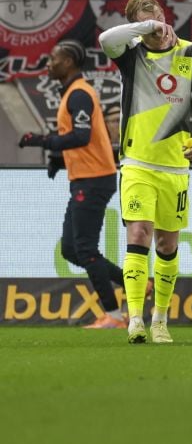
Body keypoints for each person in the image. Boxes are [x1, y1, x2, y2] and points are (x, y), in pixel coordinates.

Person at [98, 0, 192, 344]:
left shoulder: (190, 52)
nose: (159, 25)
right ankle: (135, 319)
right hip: (137, 163)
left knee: (167, 243)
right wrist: (145, 28)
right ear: (138, 25)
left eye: (159, 16)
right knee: (138, 234)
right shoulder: (130, 54)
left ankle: (160, 319)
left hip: (175, 166)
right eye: (148, 21)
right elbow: (105, 38)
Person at [19, 40, 124, 329]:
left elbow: (81, 136)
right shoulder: (73, 93)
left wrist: (41, 141)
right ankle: (135, 284)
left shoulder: (79, 94)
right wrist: (59, 160)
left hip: (94, 179)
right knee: (70, 250)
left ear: (68, 63)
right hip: (85, 178)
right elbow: (83, 141)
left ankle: (114, 316)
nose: (48, 64)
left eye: (53, 59)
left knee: (86, 250)